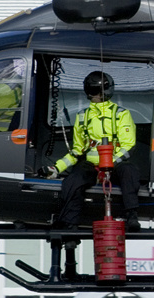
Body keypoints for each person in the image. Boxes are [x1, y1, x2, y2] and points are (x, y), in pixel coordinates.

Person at [40, 71, 141, 231]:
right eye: (91, 92)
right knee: (73, 181)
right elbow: (77, 151)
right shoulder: (82, 117)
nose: (93, 96)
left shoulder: (121, 114)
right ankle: (68, 223)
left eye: (96, 92)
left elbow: (128, 145)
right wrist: (56, 168)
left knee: (130, 172)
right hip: (91, 167)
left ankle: (132, 216)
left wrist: (112, 162)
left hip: (115, 165)